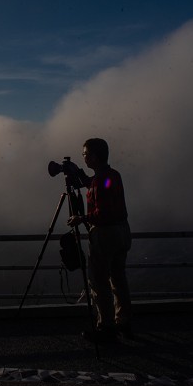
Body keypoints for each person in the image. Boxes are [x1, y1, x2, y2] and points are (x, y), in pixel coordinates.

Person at [67, 138, 133, 343]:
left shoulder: (102, 181)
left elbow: (102, 211)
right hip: (122, 232)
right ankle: (123, 320)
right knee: (118, 278)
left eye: (86, 154)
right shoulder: (112, 176)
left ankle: (106, 327)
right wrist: (81, 176)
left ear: (95, 156)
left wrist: (81, 218)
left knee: (99, 282)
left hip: (105, 234)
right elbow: (100, 187)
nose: (84, 157)